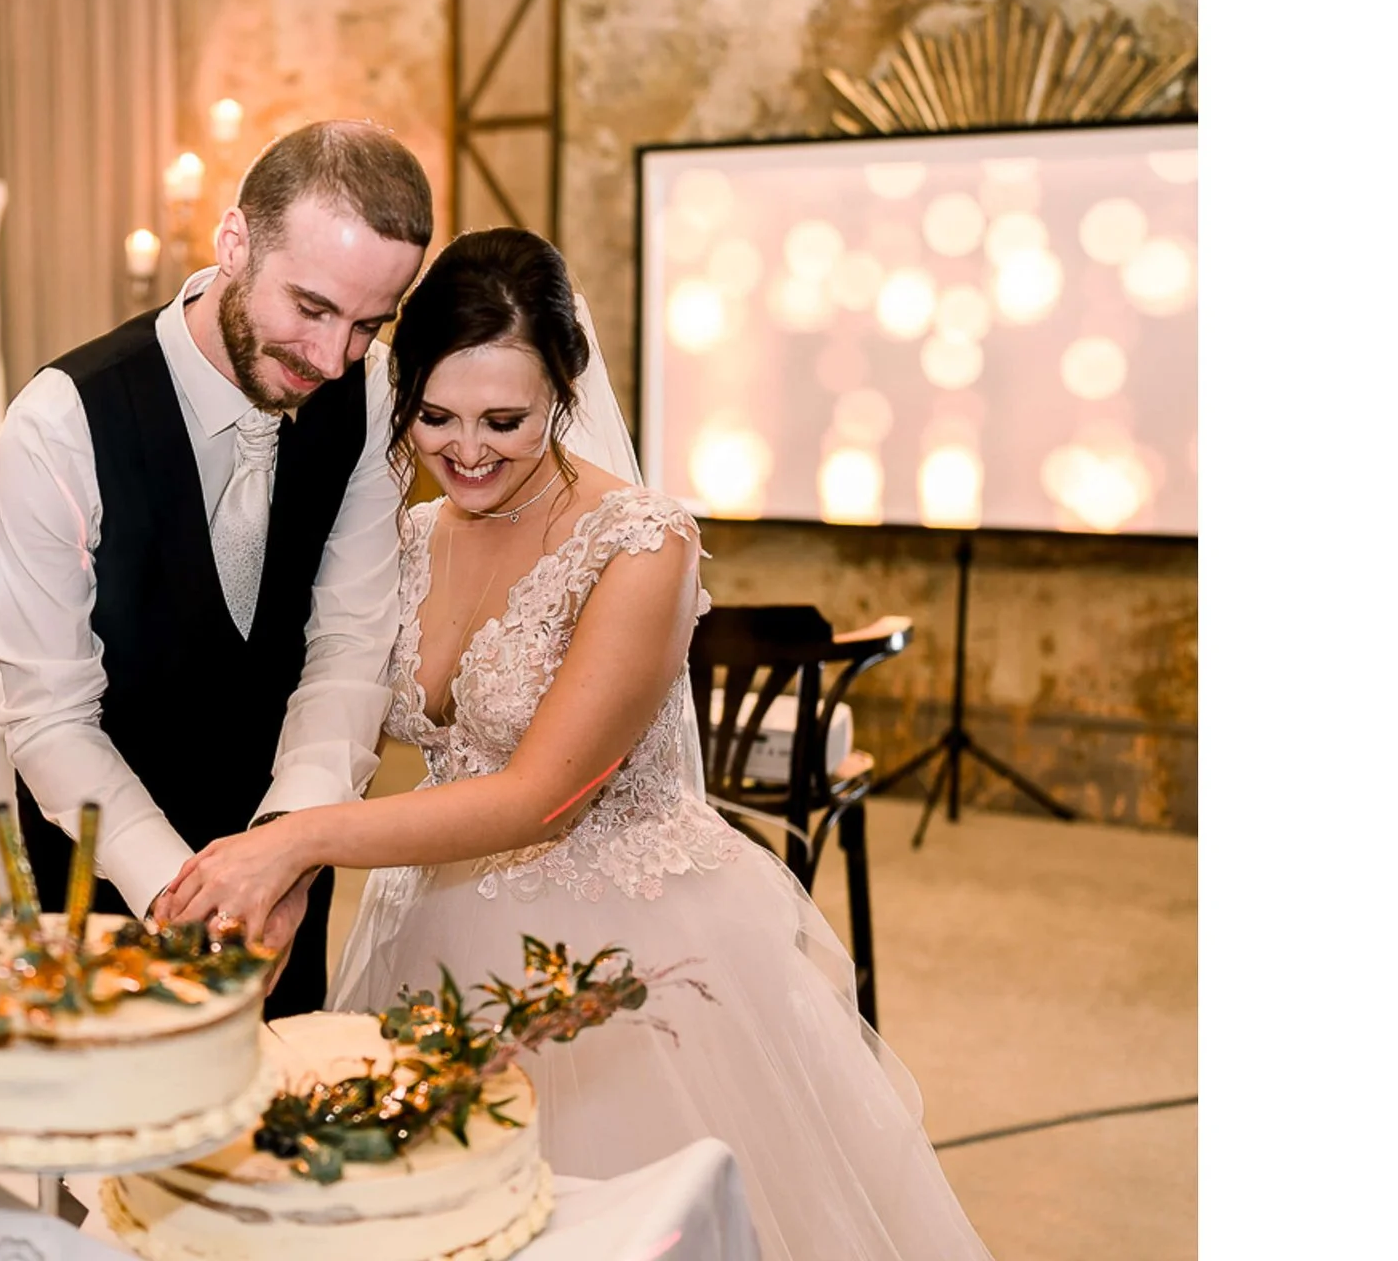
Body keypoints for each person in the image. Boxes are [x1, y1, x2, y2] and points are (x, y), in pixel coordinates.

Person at [161, 227, 997, 1259]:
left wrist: (300, 839)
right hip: (430, 924)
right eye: (435, 416)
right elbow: (332, 709)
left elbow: (539, 798)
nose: (467, 451)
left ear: (564, 389)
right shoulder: (407, 537)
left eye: (505, 421)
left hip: (620, 944)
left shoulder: (640, 541)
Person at [0, 121, 434, 1018]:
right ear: (234, 243)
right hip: (105, 874)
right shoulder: (58, 425)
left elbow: (349, 646)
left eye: (367, 324)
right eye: (311, 308)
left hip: (284, 868)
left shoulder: (375, 392)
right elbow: (49, 716)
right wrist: (182, 893)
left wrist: (285, 848)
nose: (332, 358)